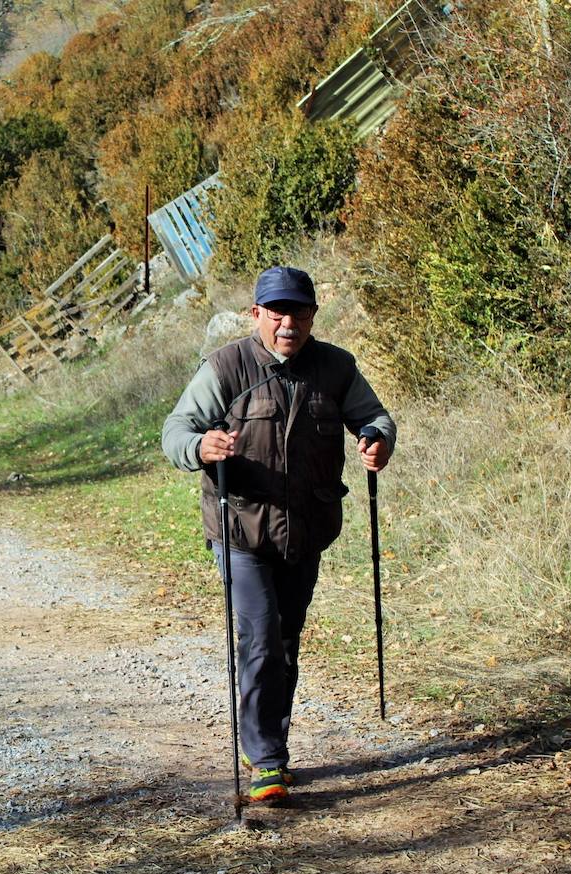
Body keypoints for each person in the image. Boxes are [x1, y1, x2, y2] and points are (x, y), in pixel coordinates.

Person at [161, 265, 396, 805]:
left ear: (313, 315)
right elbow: (176, 430)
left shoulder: (334, 367)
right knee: (262, 635)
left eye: (300, 311)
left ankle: (270, 741)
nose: (289, 322)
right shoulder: (227, 366)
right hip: (240, 528)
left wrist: (375, 440)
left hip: (306, 531)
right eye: (278, 312)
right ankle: (267, 759)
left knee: (285, 641)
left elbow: (375, 417)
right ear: (258, 315)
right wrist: (201, 448)